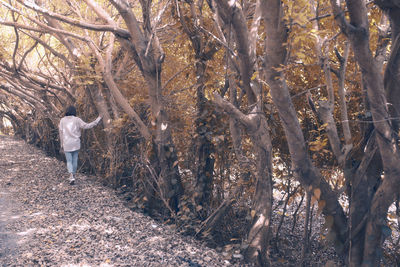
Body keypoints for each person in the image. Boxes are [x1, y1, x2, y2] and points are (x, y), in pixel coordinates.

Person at [59, 105, 102, 185]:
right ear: (74, 112)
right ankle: (73, 175)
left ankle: (71, 176)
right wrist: (98, 119)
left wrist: (61, 145)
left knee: (69, 161)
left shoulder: (62, 120)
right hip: (75, 143)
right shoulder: (77, 120)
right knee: (75, 160)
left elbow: (61, 133)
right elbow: (87, 126)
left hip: (66, 143)